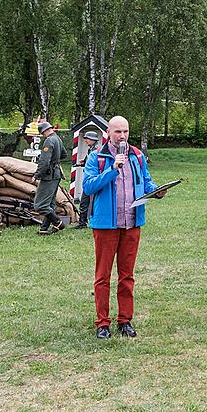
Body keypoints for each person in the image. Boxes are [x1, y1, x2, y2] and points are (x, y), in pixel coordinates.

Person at [82, 115, 166, 340]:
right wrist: (112, 169)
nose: (122, 136)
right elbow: (88, 187)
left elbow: (146, 181)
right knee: (103, 276)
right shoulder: (97, 157)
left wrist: (156, 190)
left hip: (131, 223)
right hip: (106, 225)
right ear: (108, 133)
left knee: (127, 275)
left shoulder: (137, 156)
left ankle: (125, 320)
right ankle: (102, 323)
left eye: (126, 131)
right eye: (118, 132)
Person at [33, 121, 68, 235]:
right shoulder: (57, 139)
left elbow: (44, 161)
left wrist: (37, 175)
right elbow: (64, 154)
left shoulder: (49, 141)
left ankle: (58, 222)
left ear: (44, 131)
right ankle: (44, 229)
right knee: (50, 204)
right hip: (56, 174)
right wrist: (55, 160)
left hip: (49, 176)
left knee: (40, 205)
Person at [75, 130, 102, 229]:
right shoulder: (93, 149)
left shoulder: (95, 151)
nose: (85, 140)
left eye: (86, 138)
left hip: (92, 180)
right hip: (93, 180)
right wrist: (83, 162)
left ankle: (83, 222)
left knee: (85, 201)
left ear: (92, 139)